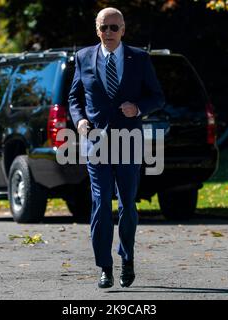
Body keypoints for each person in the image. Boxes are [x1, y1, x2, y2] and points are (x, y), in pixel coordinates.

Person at [68, 7, 164, 288]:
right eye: (103, 27)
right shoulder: (84, 57)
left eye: (114, 27)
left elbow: (158, 97)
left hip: (128, 141)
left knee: (127, 205)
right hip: (96, 142)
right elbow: (74, 97)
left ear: (123, 30)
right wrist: (80, 120)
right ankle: (105, 267)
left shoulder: (140, 58)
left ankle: (127, 259)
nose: (108, 33)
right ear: (96, 30)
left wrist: (138, 108)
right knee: (100, 203)